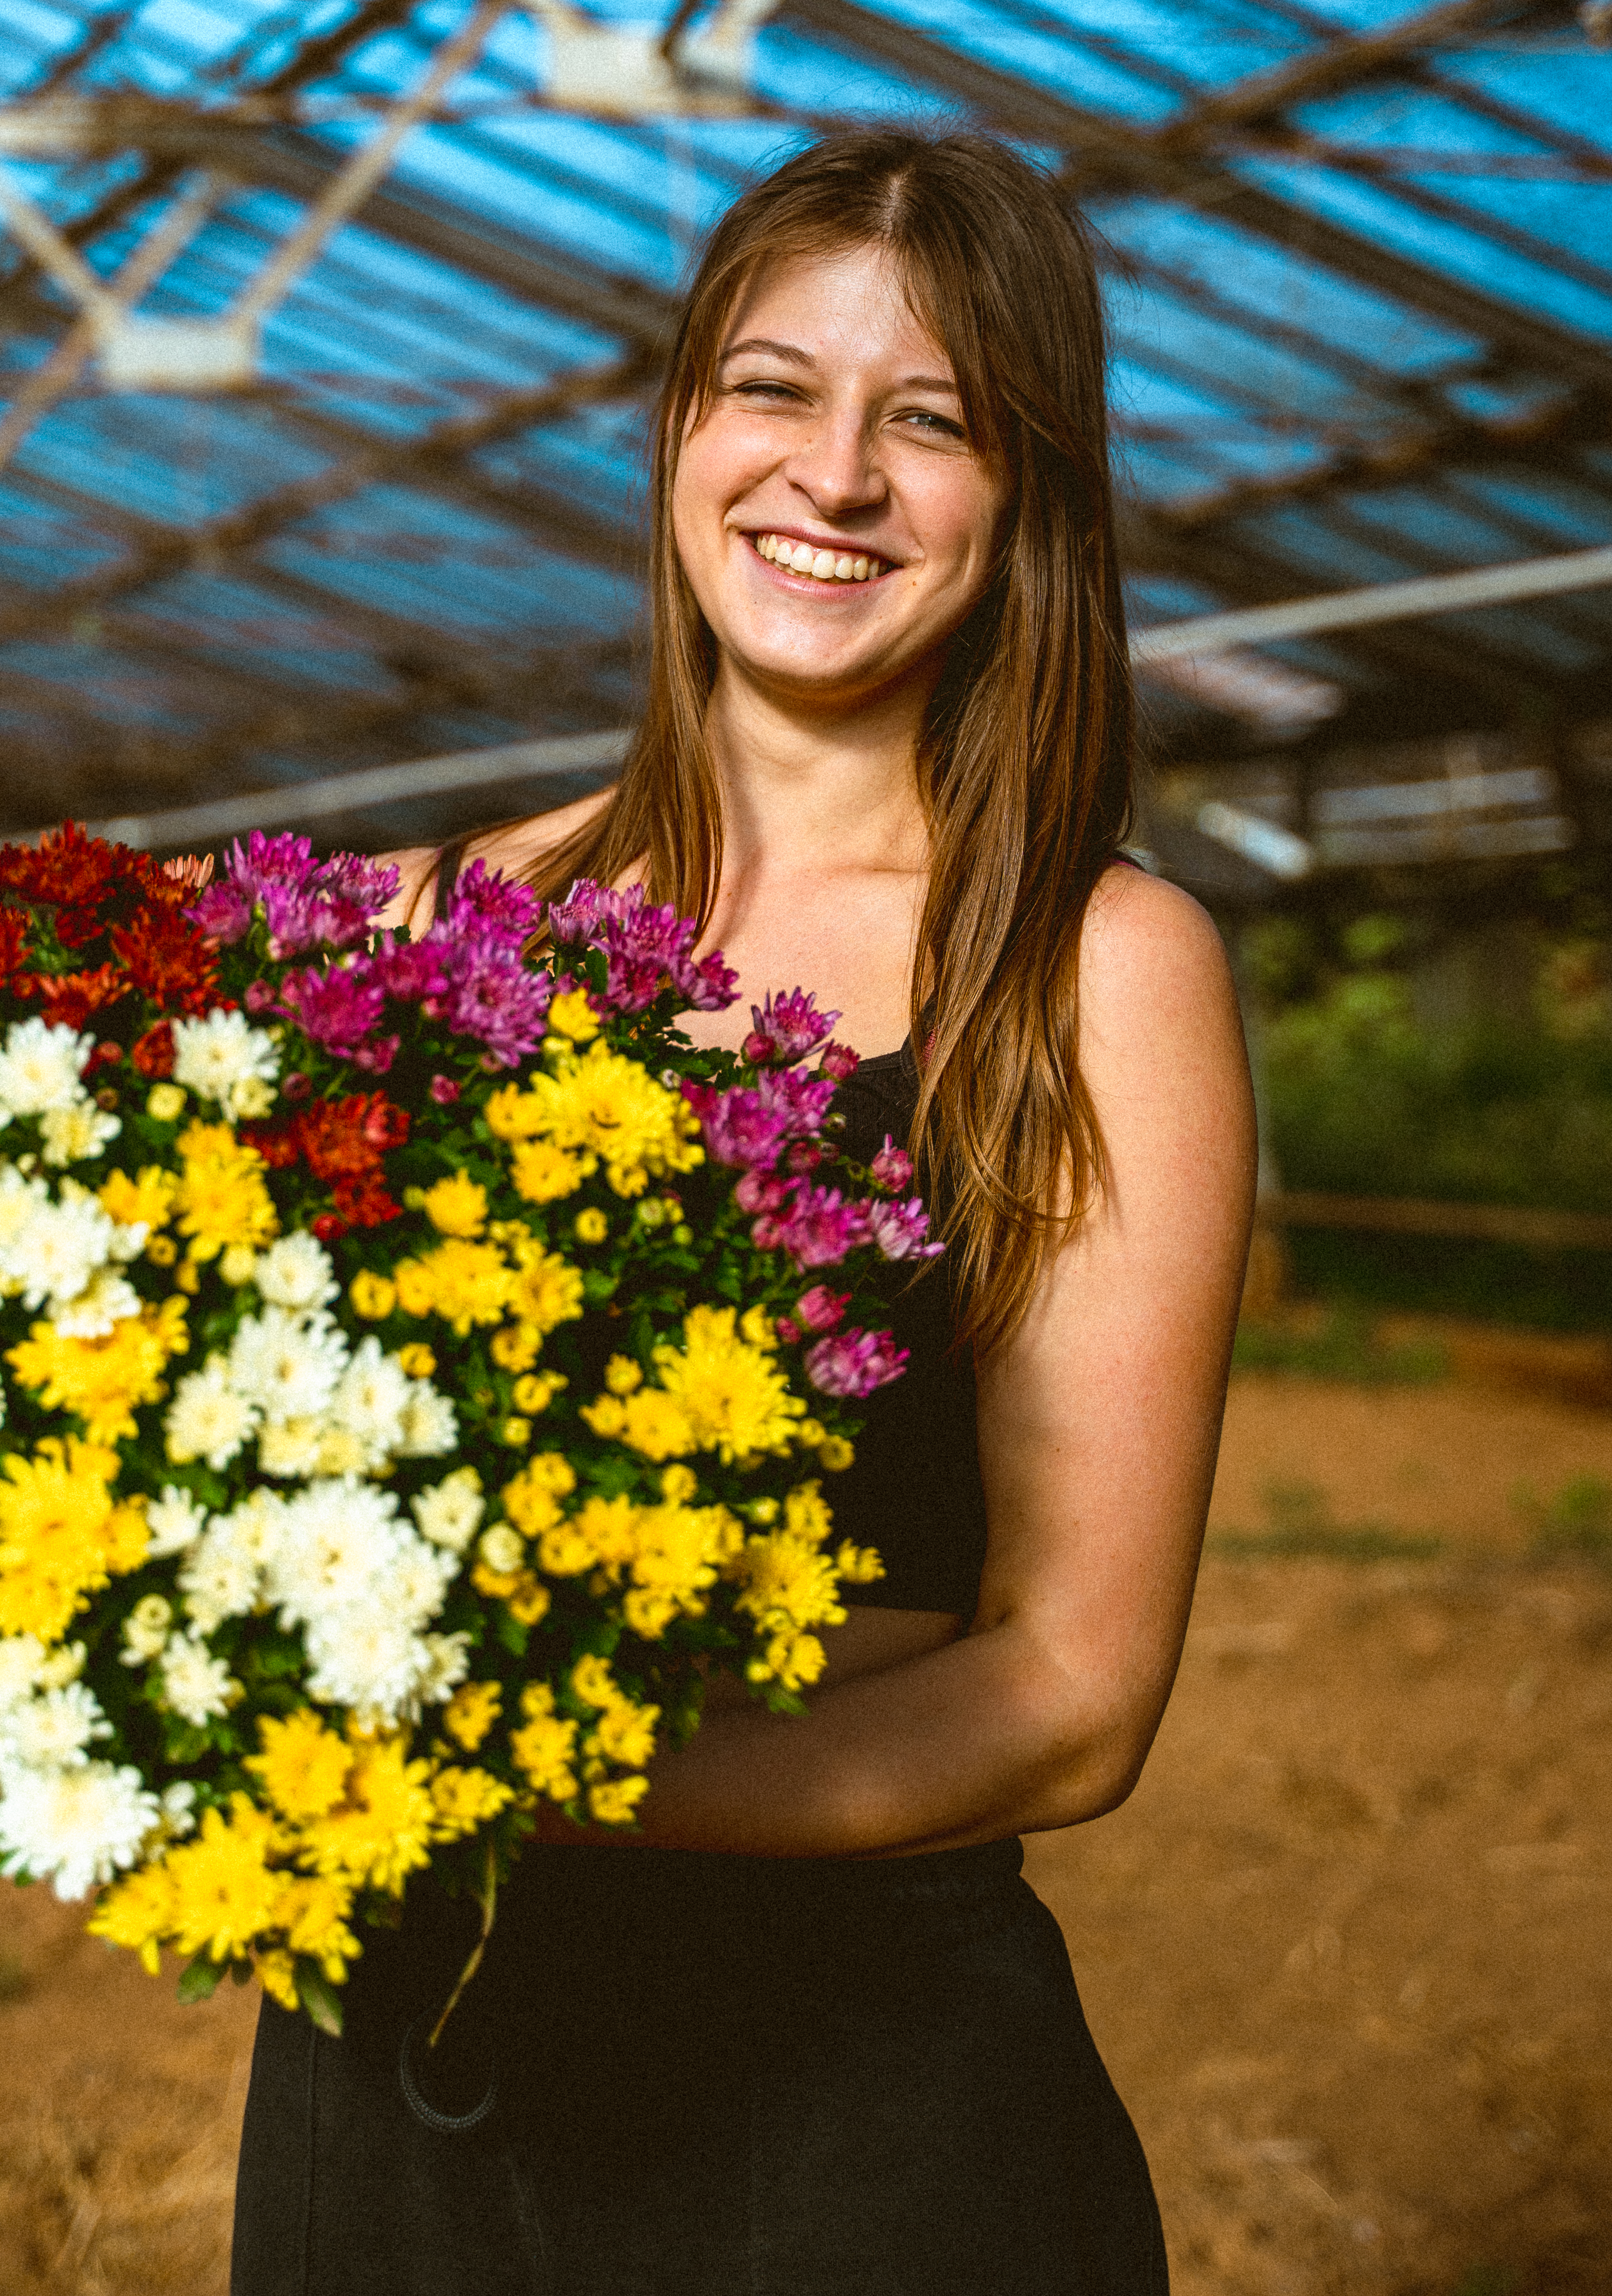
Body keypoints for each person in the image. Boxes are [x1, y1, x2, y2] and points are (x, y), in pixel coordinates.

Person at [229, 128, 1256, 2295]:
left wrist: (525, 1795)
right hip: (404, 2064)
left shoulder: (1089, 968)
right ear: (680, 428)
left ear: (1029, 497)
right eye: (774, 388)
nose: (837, 475)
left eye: (933, 419)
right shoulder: (446, 923)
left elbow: (1074, 1693)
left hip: (841, 2108)